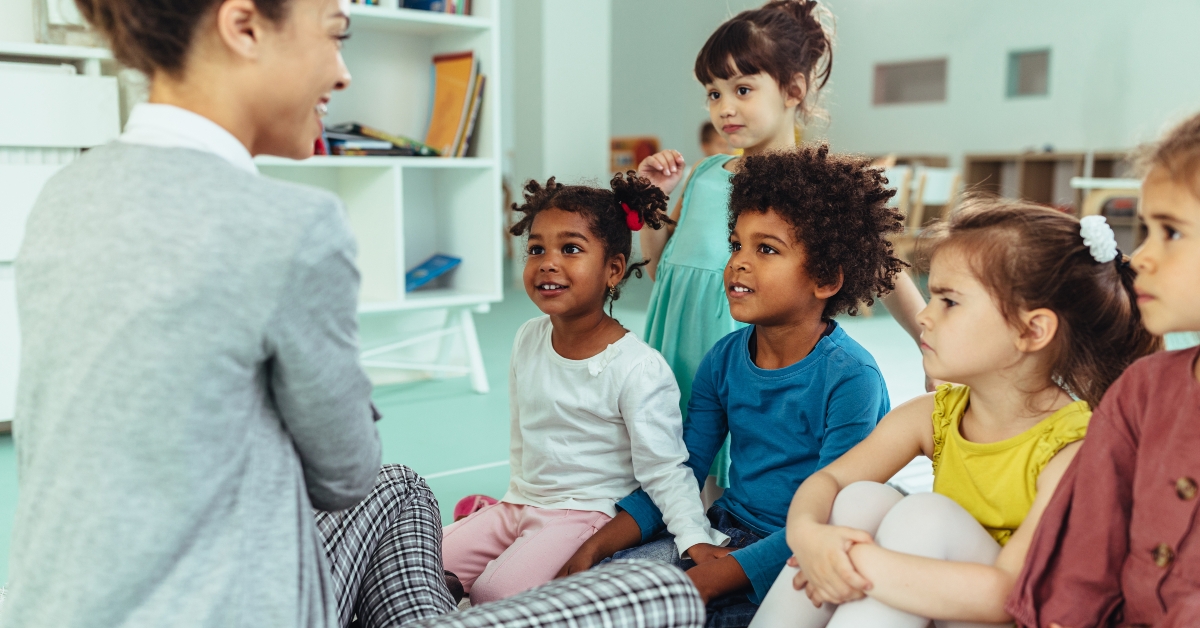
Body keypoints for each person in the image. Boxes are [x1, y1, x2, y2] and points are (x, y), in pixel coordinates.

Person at [0, 1, 705, 627]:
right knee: (663, 592)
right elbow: (342, 472)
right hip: (237, 603)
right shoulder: (289, 225)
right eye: (335, 35)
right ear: (244, 26)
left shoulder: (65, 193)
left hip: (58, 603)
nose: (341, 75)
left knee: (400, 485)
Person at [753, 198, 1159, 627]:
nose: (924, 316)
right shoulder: (937, 413)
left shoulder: (1075, 447)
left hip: (1010, 614)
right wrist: (811, 539)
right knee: (858, 499)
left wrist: (850, 564)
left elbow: (1006, 595)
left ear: (1031, 330)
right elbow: (829, 480)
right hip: (932, 607)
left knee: (925, 516)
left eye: (948, 301)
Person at [558, 146, 905, 627]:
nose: (738, 262)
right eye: (736, 244)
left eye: (766, 249)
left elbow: (832, 515)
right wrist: (596, 545)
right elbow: (681, 468)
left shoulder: (851, 379)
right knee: (601, 593)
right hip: (727, 532)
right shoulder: (723, 359)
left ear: (825, 278)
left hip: (802, 551)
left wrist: (711, 580)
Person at [635, 0, 929, 494]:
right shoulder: (704, 174)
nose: (724, 107)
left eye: (743, 89)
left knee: (729, 462)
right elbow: (658, 269)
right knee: (680, 449)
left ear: (793, 90)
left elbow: (882, 266)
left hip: (742, 338)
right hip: (679, 336)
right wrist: (653, 204)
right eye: (714, 92)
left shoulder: (814, 185)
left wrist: (926, 337)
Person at [442, 173, 729, 604]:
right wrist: (510, 499)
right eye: (536, 248)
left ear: (613, 269)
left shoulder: (637, 367)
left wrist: (692, 537)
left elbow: (666, 470)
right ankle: (473, 545)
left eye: (570, 249)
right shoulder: (527, 337)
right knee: (419, 559)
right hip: (520, 504)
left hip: (585, 513)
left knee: (494, 592)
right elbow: (523, 436)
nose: (547, 262)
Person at [1007, 112, 1200, 628]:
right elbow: (1084, 568)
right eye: (1147, 229)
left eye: (1172, 233)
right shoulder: (1143, 391)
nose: (1141, 257)